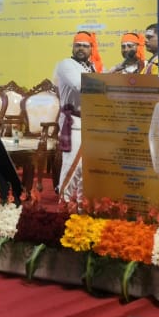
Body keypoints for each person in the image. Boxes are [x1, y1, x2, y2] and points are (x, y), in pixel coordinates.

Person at [52, 31, 103, 199]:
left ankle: (80, 206)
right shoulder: (66, 64)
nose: (81, 48)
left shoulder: (92, 67)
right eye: (77, 45)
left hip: (90, 122)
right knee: (72, 165)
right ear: (73, 47)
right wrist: (108, 83)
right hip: (73, 122)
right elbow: (80, 85)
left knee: (86, 168)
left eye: (85, 45)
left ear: (91, 48)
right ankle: (64, 203)